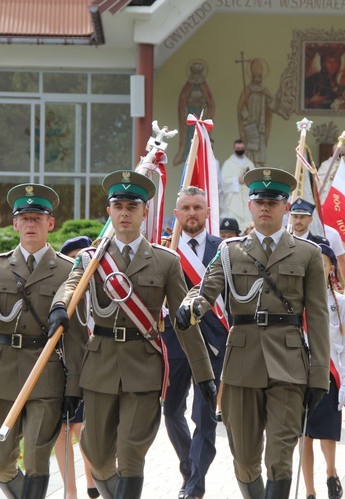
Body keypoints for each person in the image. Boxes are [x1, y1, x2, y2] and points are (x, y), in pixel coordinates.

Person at [50, 170, 216, 499]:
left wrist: (204, 374)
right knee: (95, 453)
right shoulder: (91, 258)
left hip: (143, 367)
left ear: (145, 212)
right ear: (109, 211)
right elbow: (71, 285)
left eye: (132, 206)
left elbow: (184, 319)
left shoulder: (166, 261)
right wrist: (60, 305)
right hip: (99, 367)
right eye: (118, 206)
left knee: (131, 454)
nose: (124, 213)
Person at [176, 167, 330, 499]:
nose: (265, 208)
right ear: (249, 206)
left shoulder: (307, 254)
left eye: (273, 202)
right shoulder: (231, 252)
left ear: (285, 207)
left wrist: (319, 375)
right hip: (242, 363)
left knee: (280, 457)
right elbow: (206, 288)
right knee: (244, 459)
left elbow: (318, 317)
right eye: (259, 201)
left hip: (288, 364)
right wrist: (193, 306)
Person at [0, 183, 84, 499]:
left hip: (46, 372)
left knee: (37, 454)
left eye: (38, 217)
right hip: (3, 371)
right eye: (25, 218)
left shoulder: (68, 270)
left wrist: (74, 386)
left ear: (51, 223)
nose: (31, 223)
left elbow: (76, 334)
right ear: (15, 224)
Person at [163, 187, 227, 499]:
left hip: (212, 342)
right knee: (171, 411)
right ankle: (190, 467)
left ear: (207, 212)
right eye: (185, 208)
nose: (192, 213)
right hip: (174, 342)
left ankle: (195, 485)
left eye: (197, 207)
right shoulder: (166, 249)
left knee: (205, 417)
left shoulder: (223, 250)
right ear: (176, 214)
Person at [300, 244, 345, 499]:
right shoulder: (297, 301)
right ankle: (309, 491)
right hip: (299, 375)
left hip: (328, 376)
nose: (317, 267)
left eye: (322, 262)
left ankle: (331, 474)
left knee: (327, 432)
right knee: (304, 436)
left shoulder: (340, 303)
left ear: (331, 267)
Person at [52, 235, 98, 499]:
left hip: (92, 366)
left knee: (84, 429)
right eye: (76, 257)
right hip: (62, 367)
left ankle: (92, 481)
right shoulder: (61, 289)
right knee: (62, 430)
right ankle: (70, 491)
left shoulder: (100, 286)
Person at [288, 198, 345, 287]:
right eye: (295, 217)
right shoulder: (283, 240)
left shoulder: (320, 243)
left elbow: (328, 269)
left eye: (302, 217)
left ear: (310, 219)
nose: (298, 221)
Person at [237, 59, 273, 167]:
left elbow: (270, 106)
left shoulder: (264, 91)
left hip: (260, 123)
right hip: (250, 123)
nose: (257, 79)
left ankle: (259, 164)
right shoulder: (247, 90)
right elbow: (241, 107)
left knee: (260, 144)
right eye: (255, 76)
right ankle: (250, 165)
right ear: (252, 77)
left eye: (259, 77)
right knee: (250, 145)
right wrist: (247, 116)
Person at [220, 139, 254, 229]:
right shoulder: (228, 164)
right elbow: (224, 180)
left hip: (246, 195)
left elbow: (254, 178)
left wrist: (247, 179)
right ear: (234, 148)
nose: (240, 149)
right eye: (238, 148)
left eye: (242, 148)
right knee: (235, 218)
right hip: (234, 197)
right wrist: (237, 180)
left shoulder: (249, 163)